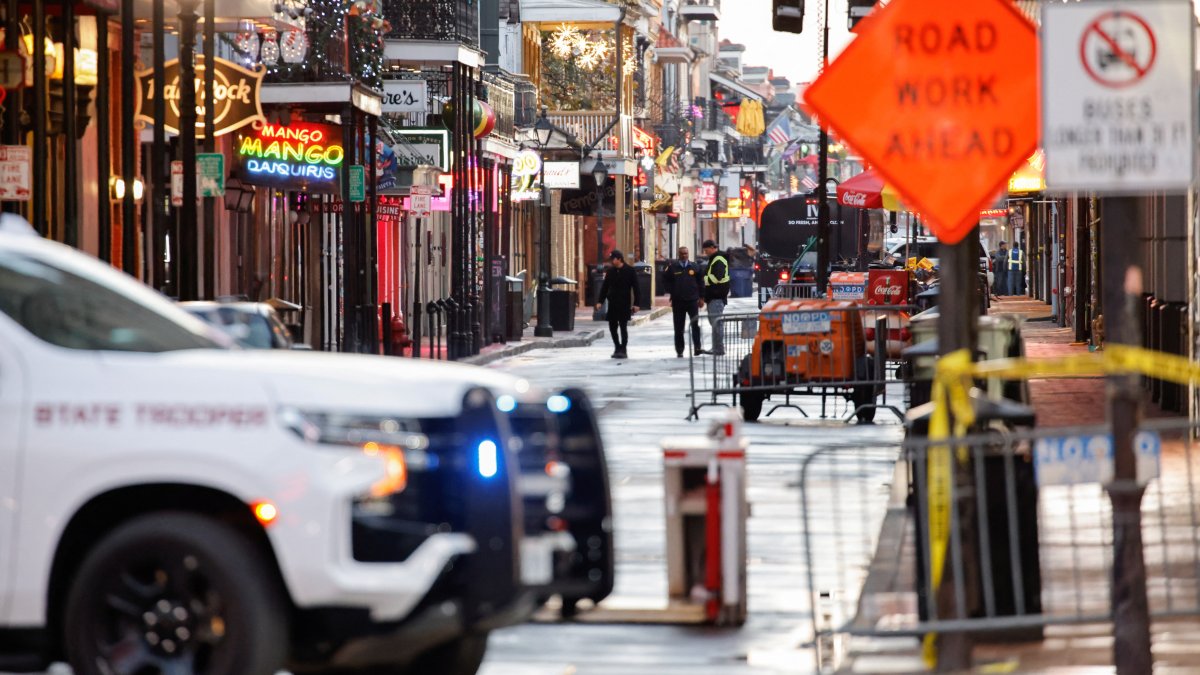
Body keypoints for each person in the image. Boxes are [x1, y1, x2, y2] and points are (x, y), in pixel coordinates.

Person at [595, 249, 641, 359]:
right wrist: (600, 301)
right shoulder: (610, 271)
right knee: (612, 327)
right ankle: (617, 347)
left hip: (624, 303)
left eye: (613, 259)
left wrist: (636, 304)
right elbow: (605, 287)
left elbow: (636, 288)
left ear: (619, 259)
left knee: (623, 327)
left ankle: (623, 349)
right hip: (613, 303)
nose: (611, 261)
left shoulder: (630, 271)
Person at [666, 246, 704, 357]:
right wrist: (672, 291)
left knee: (695, 325)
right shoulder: (673, 268)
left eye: (686, 253)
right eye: (682, 254)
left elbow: (701, 283)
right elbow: (665, 280)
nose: (684, 256)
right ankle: (679, 349)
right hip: (678, 302)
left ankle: (697, 347)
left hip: (692, 301)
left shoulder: (695, 267)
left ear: (688, 254)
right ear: (678, 254)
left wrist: (701, 298)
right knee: (678, 327)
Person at [701, 240, 730, 356]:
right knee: (714, 323)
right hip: (714, 296)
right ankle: (716, 347)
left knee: (717, 323)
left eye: (706, 249)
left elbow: (718, 277)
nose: (705, 252)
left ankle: (719, 348)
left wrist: (705, 279)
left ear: (712, 248)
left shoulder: (718, 259)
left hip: (717, 295)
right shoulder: (715, 258)